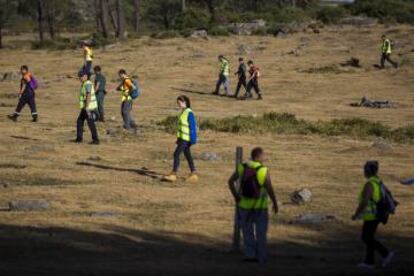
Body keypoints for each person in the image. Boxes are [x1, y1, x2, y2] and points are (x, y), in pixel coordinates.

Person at [228, 147, 278, 263]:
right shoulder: (263, 170)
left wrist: (236, 196)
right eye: (264, 155)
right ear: (258, 156)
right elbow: (269, 188)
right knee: (261, 233)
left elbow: (230, 181)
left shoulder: (243, 167)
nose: (265, 157)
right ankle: (261, 257)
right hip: (260, 207)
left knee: (247, 232)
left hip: (244, 206)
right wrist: (275, 203)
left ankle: (249, 255)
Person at [352, 161, 394, 270]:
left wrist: (356, 214)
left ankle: (386, 254)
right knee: (368, 237)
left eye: (364, 169)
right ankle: (369, 262)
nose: (363, 171)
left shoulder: (369, 184)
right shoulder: (377, 181)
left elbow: (365, 201)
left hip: (372, 216)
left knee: (366, 238)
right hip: (377, 214)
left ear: (367, 171)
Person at [163, 96, 198, 183]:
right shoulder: (183, 112)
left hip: (186, 139)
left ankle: (174, 174)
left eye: (179, 103)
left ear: (185, 102)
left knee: (176, 154)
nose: (178, 105)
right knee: (187, 155)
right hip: (183, 138)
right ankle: (193, 174)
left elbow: (193, 126)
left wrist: (193, 139)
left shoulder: (189, 113)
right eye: (178, 103)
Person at [74, 71, 99, 145]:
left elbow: (88, 95)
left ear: (86, 76)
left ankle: (96, 140)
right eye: (79, 77)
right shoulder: (85, 83)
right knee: (80, 121)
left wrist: (87, 107)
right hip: (85, 108)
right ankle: (79, 138)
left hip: (89, 108)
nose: (80, 78)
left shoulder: (87, 84)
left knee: (90, 123)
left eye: (81, 76)